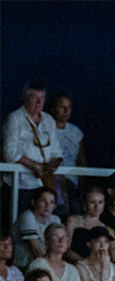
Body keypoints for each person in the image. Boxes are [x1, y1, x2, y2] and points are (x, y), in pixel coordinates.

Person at [4, 82, 63, 210]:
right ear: (25, 97)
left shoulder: (49, 121)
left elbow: (57, 152)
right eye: (34, 98)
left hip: (43, 185)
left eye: (42, 98)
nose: (39, 102)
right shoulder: (15, 118)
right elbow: (9, 153)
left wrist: (53, 164)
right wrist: (35, 165)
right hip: (20, 185)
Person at [15, 188, 62, 269]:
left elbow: (59, 242)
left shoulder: (56, 219)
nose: (47, 205)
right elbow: (36, 250)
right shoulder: (27, 216)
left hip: (45, 262)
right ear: (34, 202)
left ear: (54, 206)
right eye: (43, 201)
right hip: (25, 265)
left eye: (51, 202)